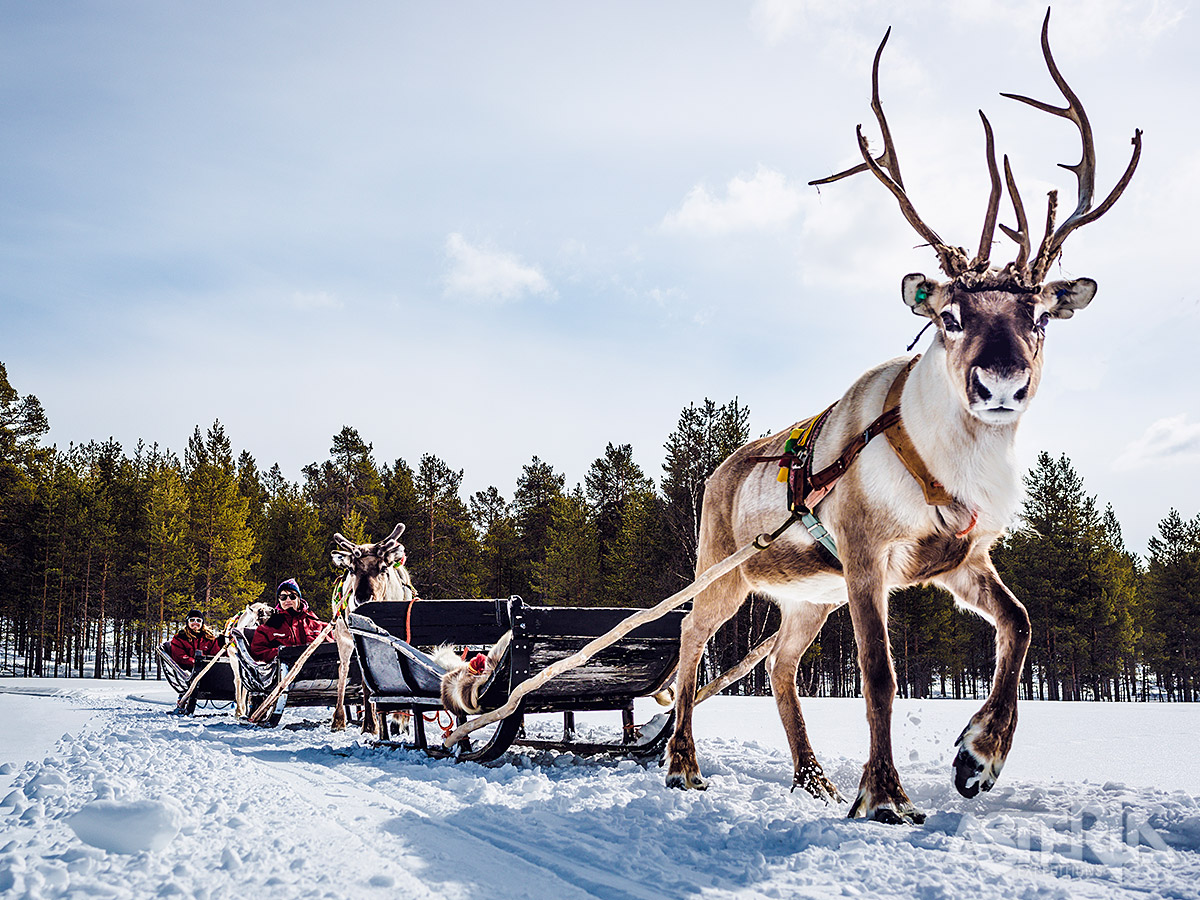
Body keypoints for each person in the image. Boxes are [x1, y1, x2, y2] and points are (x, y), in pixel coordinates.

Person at [250, 579, 332, 663]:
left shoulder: (320, 626)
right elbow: (257, 654)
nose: (288, 600)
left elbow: (334, 649)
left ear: (299, 599)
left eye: (292, 596)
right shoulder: (267, 628)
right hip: (284, 673)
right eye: (283, 597)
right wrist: (282, 653)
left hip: (318, 672)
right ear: (279, 600)